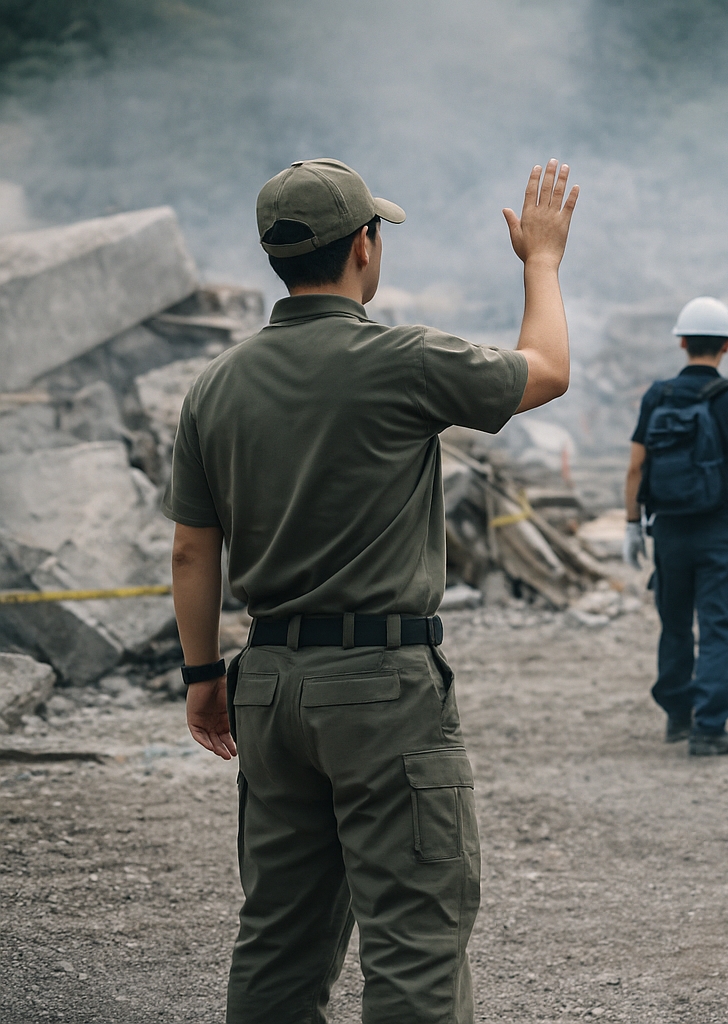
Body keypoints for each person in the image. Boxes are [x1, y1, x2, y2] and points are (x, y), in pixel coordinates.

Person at [165, 157, 578, 1022]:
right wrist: (541, 260)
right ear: (364, 245)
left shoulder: (215, 387)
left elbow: (191, 556)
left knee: (277, 940)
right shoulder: (403, 360)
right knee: (414, 943)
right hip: (383, 686)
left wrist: (204, 679)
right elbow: (544, 370)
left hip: (268, 684)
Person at [623, 296, 728, 757]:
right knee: (719, 629)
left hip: (668, 530)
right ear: (726, 346)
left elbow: (635, 468)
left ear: (682, 342)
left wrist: (632, 525)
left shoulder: (657, 395)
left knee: (674, 625)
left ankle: (677, 717)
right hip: (724, 530)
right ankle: (710, 728)